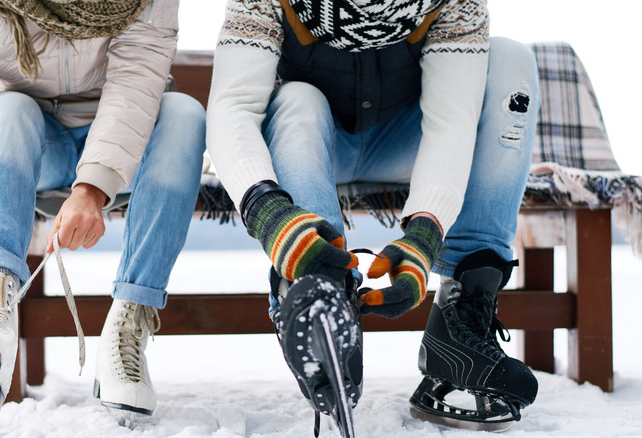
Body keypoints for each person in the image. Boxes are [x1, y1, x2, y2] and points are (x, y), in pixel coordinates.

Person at [206, 0, 540, 434]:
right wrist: (270, 216)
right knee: (297, 98)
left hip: (406, 140)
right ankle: (319, 294)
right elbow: (233, 105)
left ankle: (463, 310)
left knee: (512, 60)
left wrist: (425, 234)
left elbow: (451, 122)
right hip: (308, 140)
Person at [0, 0, 205, 427]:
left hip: (128, 151)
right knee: (7, 108)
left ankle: (129, 322)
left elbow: (135, 89)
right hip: (38, 146)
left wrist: (92, 189)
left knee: (184, 114)